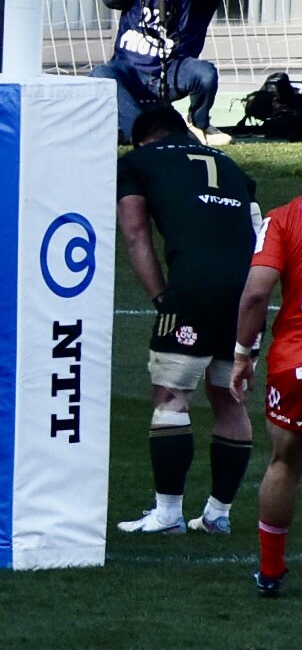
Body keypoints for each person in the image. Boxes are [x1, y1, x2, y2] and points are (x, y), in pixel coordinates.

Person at [114, 104, 258, 535]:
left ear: (143, 139)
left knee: (171, 398)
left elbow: (135, 233)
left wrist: (162, 297)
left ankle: (168, 515)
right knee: (230, 399)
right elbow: (257, 235)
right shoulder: (232, 166)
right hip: (246, 293)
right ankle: (217, 515)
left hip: (192, 291)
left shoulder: (139, 162)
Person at [89, 0, 229, 145]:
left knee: (205, 74)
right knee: (101, 75)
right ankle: (147, 134)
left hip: (174, 69)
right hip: (130, 70)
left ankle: (198, 124)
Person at [232, 192, 302, 597]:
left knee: (285, 462)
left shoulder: (282, 219)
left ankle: (271, 571)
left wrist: (243, 354)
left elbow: (257, 292)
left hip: (296, 363)